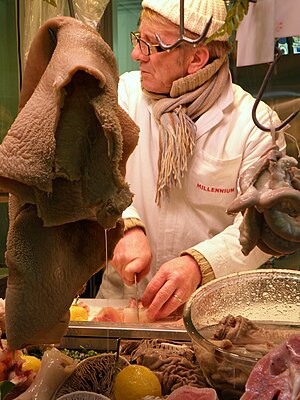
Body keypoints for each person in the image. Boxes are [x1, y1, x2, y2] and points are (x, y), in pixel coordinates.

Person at [97, 0, 285, 321]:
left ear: (196, 58)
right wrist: (124, 224)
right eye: (137, 39)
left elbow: (261, 229)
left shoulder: (254, 125)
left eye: (151, 45)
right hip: (123, 306)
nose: (136, 55)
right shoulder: (123, 96)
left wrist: (200, 264)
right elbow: (89, 168)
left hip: (213, 316)